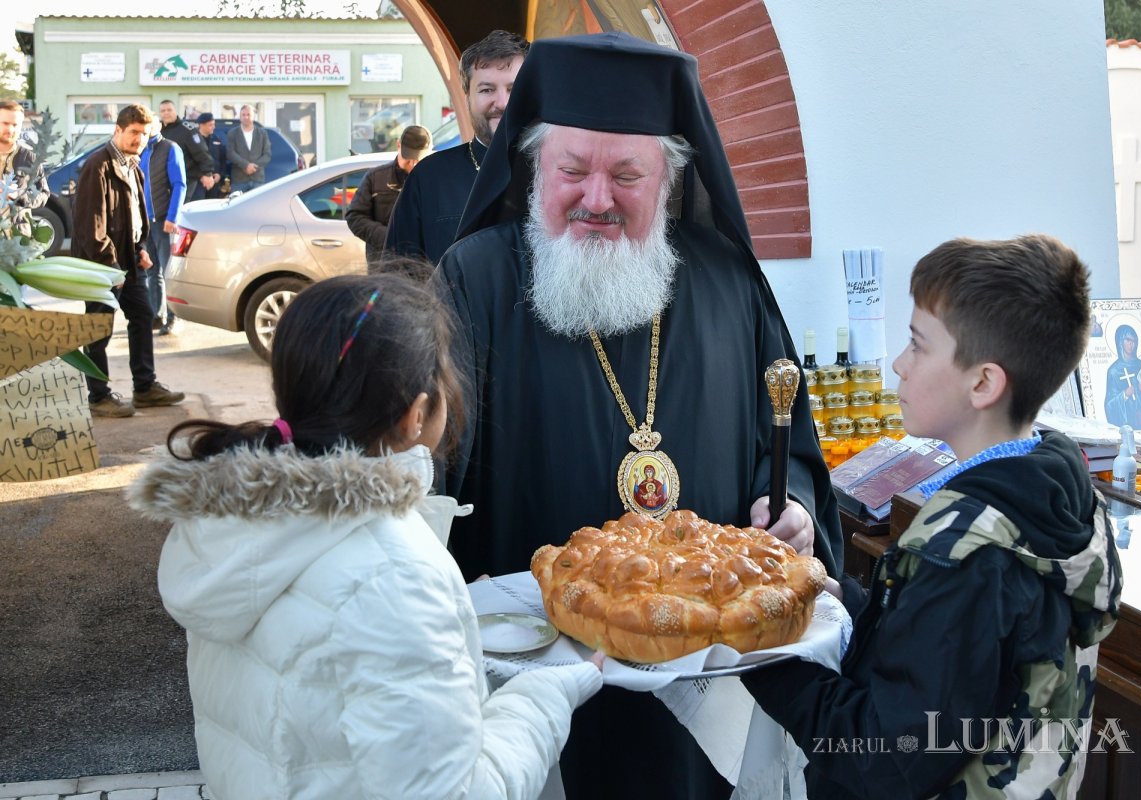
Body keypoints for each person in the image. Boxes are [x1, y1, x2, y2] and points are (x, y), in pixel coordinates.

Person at [437, 33, 842, 800]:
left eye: (627, 175)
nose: (596, 199)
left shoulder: (729, 283)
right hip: (535, 685)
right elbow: (430, 470)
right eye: (572, 171)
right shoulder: (477, 279)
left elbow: (790, 445)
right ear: (534, 168)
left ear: (670, 179)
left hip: (712, 683)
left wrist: (791, 509)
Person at [127, 272, 602, 800]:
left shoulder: (233, 519)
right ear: (416, 414)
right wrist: (543, 694)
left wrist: (451, 618)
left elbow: (318, 653)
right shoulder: (396, 577)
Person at [742, 235, 1123, 799]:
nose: (898, 362)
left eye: (919, 345)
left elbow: (884, 757)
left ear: (984, 383)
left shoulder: (970, 554)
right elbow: (934, 660)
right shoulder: (1049, 493)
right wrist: (834, 591)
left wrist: (756, 654)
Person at [73, 104, 185, 418]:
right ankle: (98, 396)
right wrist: (111, 268)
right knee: (98, 329)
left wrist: (141, 249)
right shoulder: (98, 167)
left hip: (130, 261)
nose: (139, 139)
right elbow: (90, 228)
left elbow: (133, 216)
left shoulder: (134, 166)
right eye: (134, 132)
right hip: (102, 267)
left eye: (144, 133)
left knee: (143, 315)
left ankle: (145, 388)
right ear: (118, 130)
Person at [383, 30, 528, 265]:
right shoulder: (429, 178)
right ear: (466, 97)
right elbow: (398, 278)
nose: (502, 103)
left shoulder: (564, 172)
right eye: (487, 89)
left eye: (514, 89)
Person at [348, 123, 431, 270]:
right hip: (384, 268)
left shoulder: (435, 179)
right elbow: (355, 217)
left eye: (417, 159)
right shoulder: (375, 177)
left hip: (424, 270)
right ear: (398, 145)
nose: (412, 164)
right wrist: (390, 237)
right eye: (408, 158)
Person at [139, 116, 186, 335]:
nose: (146, 129)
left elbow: (179, 184)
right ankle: (156, 316)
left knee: (169, 272)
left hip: (164, 221)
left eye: (150, 125)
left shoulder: (170, 148)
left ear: (158, 126)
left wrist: (172, 217)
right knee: (152, 272)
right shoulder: (141, 151)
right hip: (145, 221)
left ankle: (174, 317)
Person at [0, 100, 50, 229]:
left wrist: (20, 195)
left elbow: (43, 194)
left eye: (15, 125)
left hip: (18, 238)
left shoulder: (31, 159)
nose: (10, 129)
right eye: (5, 123)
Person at [158, 100, 215, 202]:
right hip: (163, 182)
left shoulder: (187, 130)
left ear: (175, 111)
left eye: (169, 110)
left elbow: (201, 152)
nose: (166, 113)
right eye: (163, 111)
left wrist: (208, 173)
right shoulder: (157, 130)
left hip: (186, 180)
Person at [226, 104, 272, 194]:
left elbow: (267, 155)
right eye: (243, 115)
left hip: (257, 179)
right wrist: (246, 165)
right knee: (238, 207)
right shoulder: (232, 133)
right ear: (240, 117)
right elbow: (230, 153)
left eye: (248, 114)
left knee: (258, 207)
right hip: (239, 180)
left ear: (253, 116)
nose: (246, 117)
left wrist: (254, 167)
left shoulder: (262, 133)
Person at [195, 112, 227, 199]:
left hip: (215, 183)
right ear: (201, 125)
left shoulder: (216, 139)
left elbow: (223, 159)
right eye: (210, 125)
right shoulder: (193, 141)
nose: (214, 127)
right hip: (198, 183)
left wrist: (220, 175)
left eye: (214, 124)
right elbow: (189, 162)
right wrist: (201, 176)